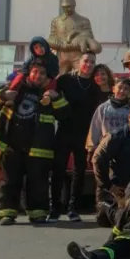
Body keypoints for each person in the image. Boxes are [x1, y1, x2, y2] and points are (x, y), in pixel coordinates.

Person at [0, 60, 70, 225]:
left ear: (47, 77)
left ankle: (37, 213)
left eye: (42, 74)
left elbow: (65, 115)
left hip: (39, 147)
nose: (38, 76)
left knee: (38, 181)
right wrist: (4, 95)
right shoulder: (15, 86)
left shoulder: (50, 92)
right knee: (9, 181)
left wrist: (57, 98)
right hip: (12, 144)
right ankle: (7, 213)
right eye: (35, 72)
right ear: (28, 73)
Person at [51, 51, 99, 222]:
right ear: (79, 62)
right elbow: (51, 91)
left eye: (92, 62)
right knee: (58, 170)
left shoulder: (95, 86)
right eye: (86, 61)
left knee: (79, 172)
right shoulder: (65, 80)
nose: (89, 65)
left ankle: (73, 209)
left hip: (84, 135)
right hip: (64, 131)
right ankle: (55, 209)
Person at [85, 78, 130, 159]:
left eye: (126, 89)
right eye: (120, 87)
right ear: (113, 89)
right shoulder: (103, 108)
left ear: (129, 92)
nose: (122, 91)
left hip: (125, 148)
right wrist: (91, 149)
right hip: (105, 147)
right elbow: (95, 128)